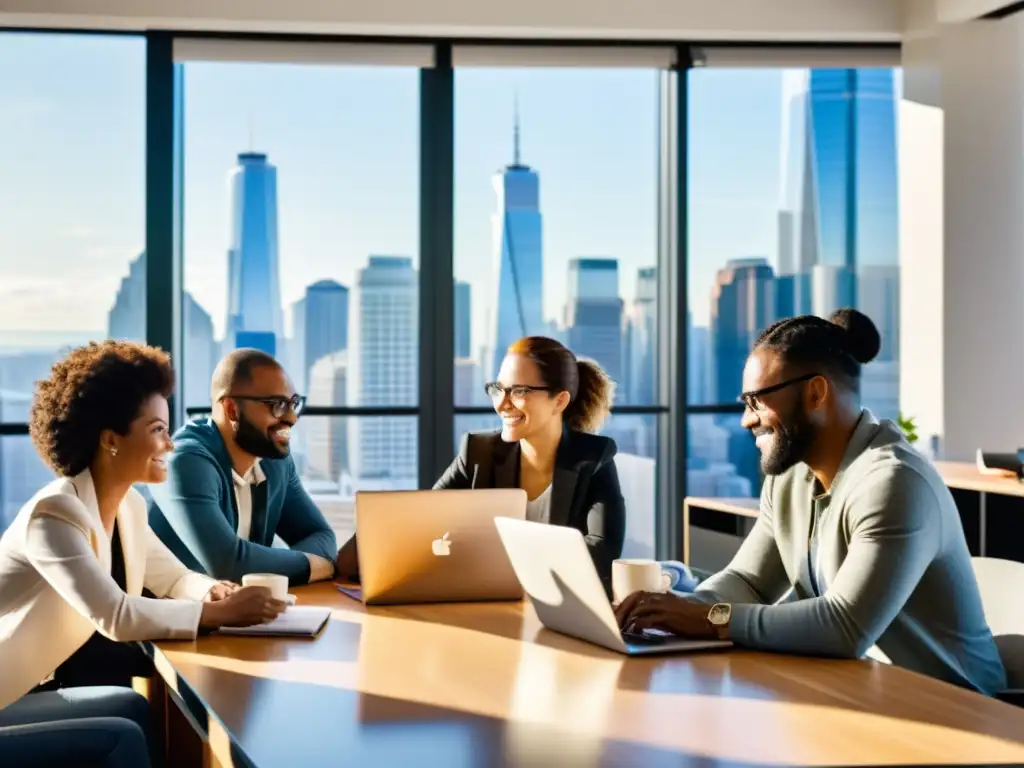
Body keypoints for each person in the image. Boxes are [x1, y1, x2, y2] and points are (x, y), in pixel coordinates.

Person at [615, 309, 1007, 695]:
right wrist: (665, 614)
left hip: (954, 709)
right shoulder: (790, 477)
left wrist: (706, 618)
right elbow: (749, 582)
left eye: (756, 401)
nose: (745, 420)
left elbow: (844, 627)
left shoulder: (894, 482)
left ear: (815, 393)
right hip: (861, 692)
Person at [0, 341, 284, 746]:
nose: (170, 443)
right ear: (111, 440)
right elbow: (116, 616)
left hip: (26, 690)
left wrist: (214, 590)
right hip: (7, 699)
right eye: (158, 430)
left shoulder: (128, 507)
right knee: (121, 736)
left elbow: (171, 577)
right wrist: (217, 613)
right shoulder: (54, 516)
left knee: (132, 707)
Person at [336, 336, 626, 586]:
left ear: (559, 401)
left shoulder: (594, 459)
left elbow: (600, 553)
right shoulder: (478, 453)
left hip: (561, 614)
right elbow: (422, 520)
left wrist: (497, 556)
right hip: (490, 607)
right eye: (498, 389)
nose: (502, 403)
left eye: (519, 391)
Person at [148, 348, 337, 585]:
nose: (292, 418)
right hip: (178, 616)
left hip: (245, 613)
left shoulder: (274, 462)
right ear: (232, 410)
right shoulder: (185, 461)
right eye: (278, 405)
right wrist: (319, 565)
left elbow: (321, 535)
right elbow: (228, 564)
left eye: (294, 404)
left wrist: (279, 566)